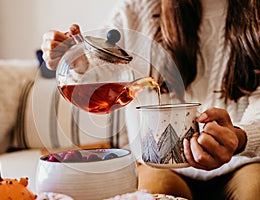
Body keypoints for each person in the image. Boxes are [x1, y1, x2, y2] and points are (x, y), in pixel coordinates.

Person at [41, 0, 260, 199]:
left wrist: (241, 137)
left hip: (242, 162)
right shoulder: (134, 11)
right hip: (158, 167)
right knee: (154, 191)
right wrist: (75, 63)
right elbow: (100, 73)